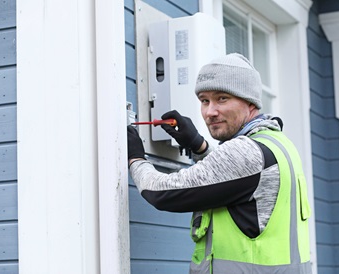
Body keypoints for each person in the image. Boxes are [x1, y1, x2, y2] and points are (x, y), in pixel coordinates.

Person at [127, 53, 312, 273]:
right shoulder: (279, 144)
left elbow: (162, 192)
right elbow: (240, 180)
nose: (210, 112)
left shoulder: (246, 152)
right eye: (204, 100)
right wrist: (200, 147)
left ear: (250, 102)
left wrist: (135, 158)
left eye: (222, 98)